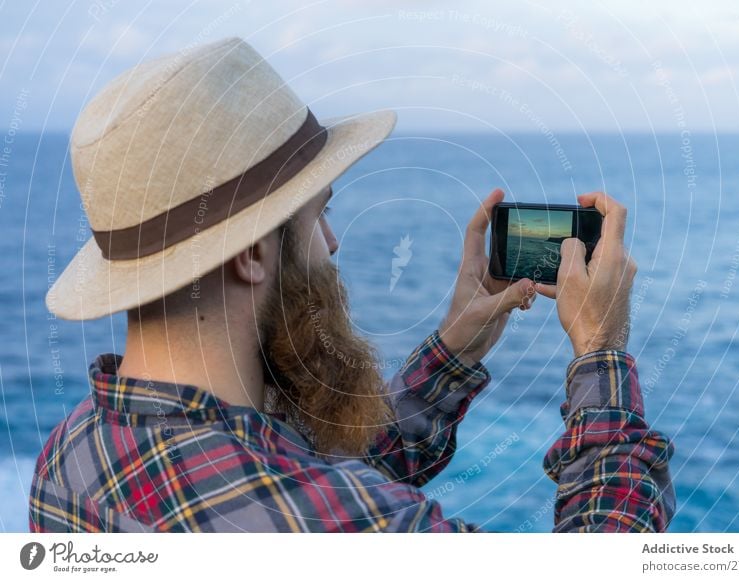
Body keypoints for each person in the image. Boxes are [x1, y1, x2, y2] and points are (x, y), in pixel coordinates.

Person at [30, 37, 674, 532]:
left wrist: (456, 347)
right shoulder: (340, 524)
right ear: (252, 254)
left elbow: (325, 469)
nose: (333, 243)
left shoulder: (68, 458)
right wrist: (601, 351)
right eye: (321, 215)